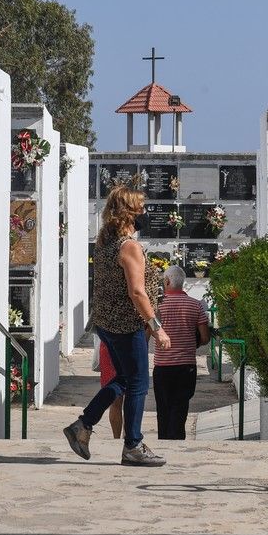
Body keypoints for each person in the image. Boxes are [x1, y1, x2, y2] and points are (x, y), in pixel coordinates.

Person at [63, 185, 171, 467]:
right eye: (142, 208)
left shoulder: (104, 244)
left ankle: (83, 425)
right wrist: (156, 326)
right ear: (129, 213)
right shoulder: (129, 246)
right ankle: (132, 446)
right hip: (126, 325)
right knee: (138, 384)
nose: (145, 212)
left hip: (106, 323)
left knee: (124, 379)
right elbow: (137, 292)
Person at [153, 265, 210, 440]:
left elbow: (148, 333)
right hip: (186, 367)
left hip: (162, 366)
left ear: (167, 281)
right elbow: (205, 337)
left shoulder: (156, 307)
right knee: (180, 406)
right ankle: (177, 440)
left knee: (163, 408)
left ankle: (163, 441)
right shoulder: (196, 305)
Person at [99, 340, 123, 438]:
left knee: (116, 400)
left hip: (109, 344)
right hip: (129, 346)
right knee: (130, 398)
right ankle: (128, 439)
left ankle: (119, 439)